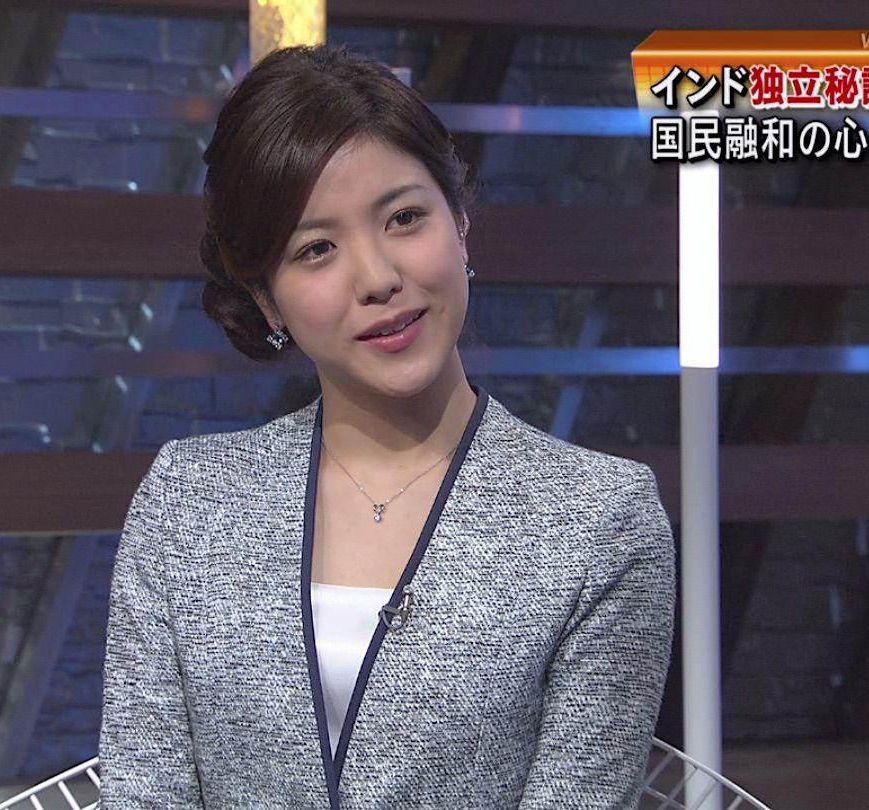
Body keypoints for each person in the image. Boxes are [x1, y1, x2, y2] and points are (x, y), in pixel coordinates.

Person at [100, 42, 675, 809]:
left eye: (404, 218)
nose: (377, 278)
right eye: (317, 249)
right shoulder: (188, 502)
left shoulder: (600, 522)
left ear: (460, 223)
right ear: (266, 298)